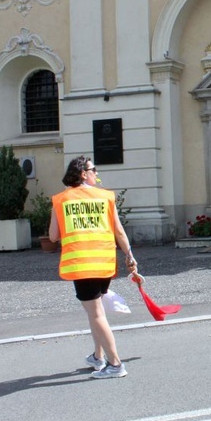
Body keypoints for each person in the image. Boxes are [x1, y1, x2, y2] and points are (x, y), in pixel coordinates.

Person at [49, 156, 136, 379]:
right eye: (92, 169)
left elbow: (53, 236)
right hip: (104, 262)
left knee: (96, 314)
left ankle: (116, 365)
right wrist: (129, 254)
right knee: (95, 312)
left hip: (82, 264)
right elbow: (118, 230)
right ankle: (98, 357)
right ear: (82, 174)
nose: (96, 173)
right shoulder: (105, 197)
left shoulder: (61, 200)